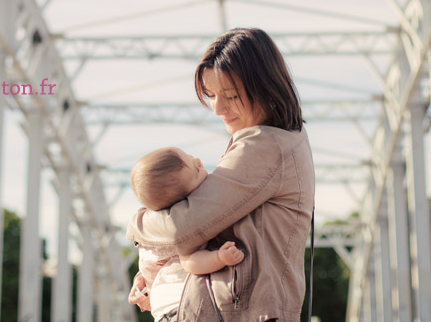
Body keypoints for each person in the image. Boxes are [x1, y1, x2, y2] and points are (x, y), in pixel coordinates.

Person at [127, 27, 315, 322]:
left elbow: (183, 228)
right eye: (211, 94)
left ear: (264, 87)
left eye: (230, 95)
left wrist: (138, 226)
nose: (217, 108)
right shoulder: (281, 142)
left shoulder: (265, 146)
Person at [129, 146, 245, 321]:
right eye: (197, 171)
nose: (199, 162)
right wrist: (219, 258)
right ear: (184, 200)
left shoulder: (155, 227)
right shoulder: (182, 226)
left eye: (192, 158)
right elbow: (190, 262)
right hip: (180, 307)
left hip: (166, 308)